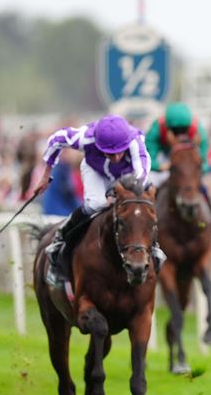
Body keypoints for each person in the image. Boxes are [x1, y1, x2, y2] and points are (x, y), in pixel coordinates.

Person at [34, 114, 163, 287]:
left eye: (119, 152)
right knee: (96, 205)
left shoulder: (135, 139)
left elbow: (141, 172)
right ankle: (60, 238)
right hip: (95, 170)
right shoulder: (85, 137)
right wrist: (45, 175)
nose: (116, 157)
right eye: (110, 153)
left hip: (127, 175)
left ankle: (154, 248)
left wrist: (123, 191)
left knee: (138, 207)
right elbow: (56, 140)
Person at [145, 102, 211, 225]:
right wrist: (160, 167)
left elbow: (204, 163)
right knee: (150, 183)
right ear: (167, 127)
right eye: (175, 131)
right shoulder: (156, 130)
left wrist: (196, 170)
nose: (180, 135)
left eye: (183, 130)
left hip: (187, 158)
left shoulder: (198, 131)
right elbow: (147, 161)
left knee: (202, 182)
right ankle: (147, 220)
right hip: (164, 156)